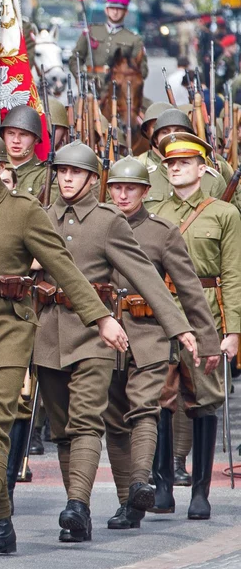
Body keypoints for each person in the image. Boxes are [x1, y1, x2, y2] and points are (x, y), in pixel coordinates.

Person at [0, 129, 127, 560]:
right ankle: (2, 522)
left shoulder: (24, 211)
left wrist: (101, 318)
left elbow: (64, 268)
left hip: (7, 332)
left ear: (1, 167)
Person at [33, 142, 192, 543]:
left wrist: (178, 326)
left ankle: (78, 505)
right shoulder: (41, 216)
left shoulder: (107, 221)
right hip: (48, 333)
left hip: (92, 335)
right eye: (62, 172)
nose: (66, 179)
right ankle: (78, 512)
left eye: (75, 172)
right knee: (62, 429)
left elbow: (144, 274)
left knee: (87, 421)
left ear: (90, 179)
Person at [103, 157, 216, 530]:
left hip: (148, 334)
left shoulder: (162, 231)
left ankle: (145, 484)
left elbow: (189, 290)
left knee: (143, 410)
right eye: (116, 187)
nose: (121, 194)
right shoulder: (98, 225)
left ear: (145, 192)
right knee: (113, 420)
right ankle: (128, 500)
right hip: (104, 337)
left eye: (130, 188)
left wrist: (207, 339)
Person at [148, 131, 241, 520]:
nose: (176, 168)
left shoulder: (225, 215)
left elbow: (232, 274)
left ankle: (200, 492)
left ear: (203, 168)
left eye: (184, 162)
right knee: (159, 399)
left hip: (205, 313)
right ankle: (163, 486)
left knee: (203, 400)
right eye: (170, 163)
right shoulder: (154, 215)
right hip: (159, 313)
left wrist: (233, 330)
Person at [69, 0, 148, 94]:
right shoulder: (91, 32)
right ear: (106, 10)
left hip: (120, 90)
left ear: (126, 12)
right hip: (90, 86)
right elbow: (75, 58)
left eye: (119, 9)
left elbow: (142, 70)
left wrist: (126, 79)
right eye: (112, 8)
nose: (115, 12)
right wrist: (80, 76)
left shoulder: (134, 39)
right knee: (76, 109)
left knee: (149, 108)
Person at [0, 105, 48, 198]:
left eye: (24, 134)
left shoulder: (46, 176)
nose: (16, 140)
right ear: (3, 135)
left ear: (36, 139)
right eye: (11, 133)